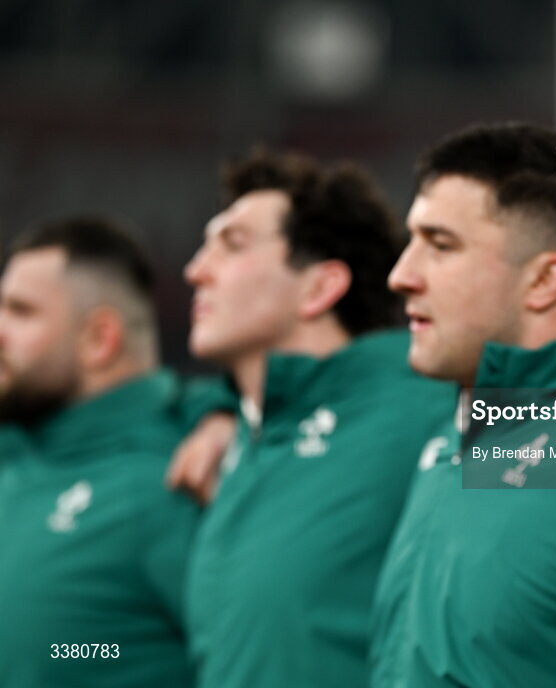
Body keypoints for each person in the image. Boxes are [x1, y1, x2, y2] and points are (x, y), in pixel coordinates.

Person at [369, 122, 556, 688]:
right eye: (410, 243)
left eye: (440, 245)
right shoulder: (455, 430)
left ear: (545, 280)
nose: (401, 275)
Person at [182, 148, 454, 688]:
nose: (195, 271)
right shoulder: (238, 436)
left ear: (319, 286)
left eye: (231, 244)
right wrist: (217, 409)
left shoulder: (433, 402)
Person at [0, 217, 205, 687]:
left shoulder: (177, 479)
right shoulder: (19, 457)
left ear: (99, 339)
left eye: (21, 311)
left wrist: (84, 645)